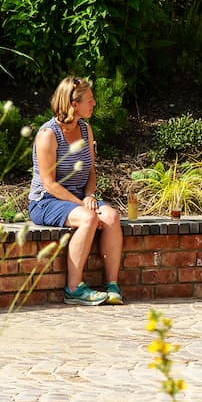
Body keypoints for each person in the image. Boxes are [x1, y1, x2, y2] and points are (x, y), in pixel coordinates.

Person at [28, 76, 124, 306]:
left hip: (79, 199)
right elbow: (49, 183)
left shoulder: (84, 128)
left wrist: (89, 195)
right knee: (88, 218)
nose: (94, 104)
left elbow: (91, 170)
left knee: (111, 216)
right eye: (89, 100)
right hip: (46, 201)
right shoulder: (48, 135)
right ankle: (74, 288)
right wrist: (82, 205)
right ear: (73, 104)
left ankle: (112, 285)